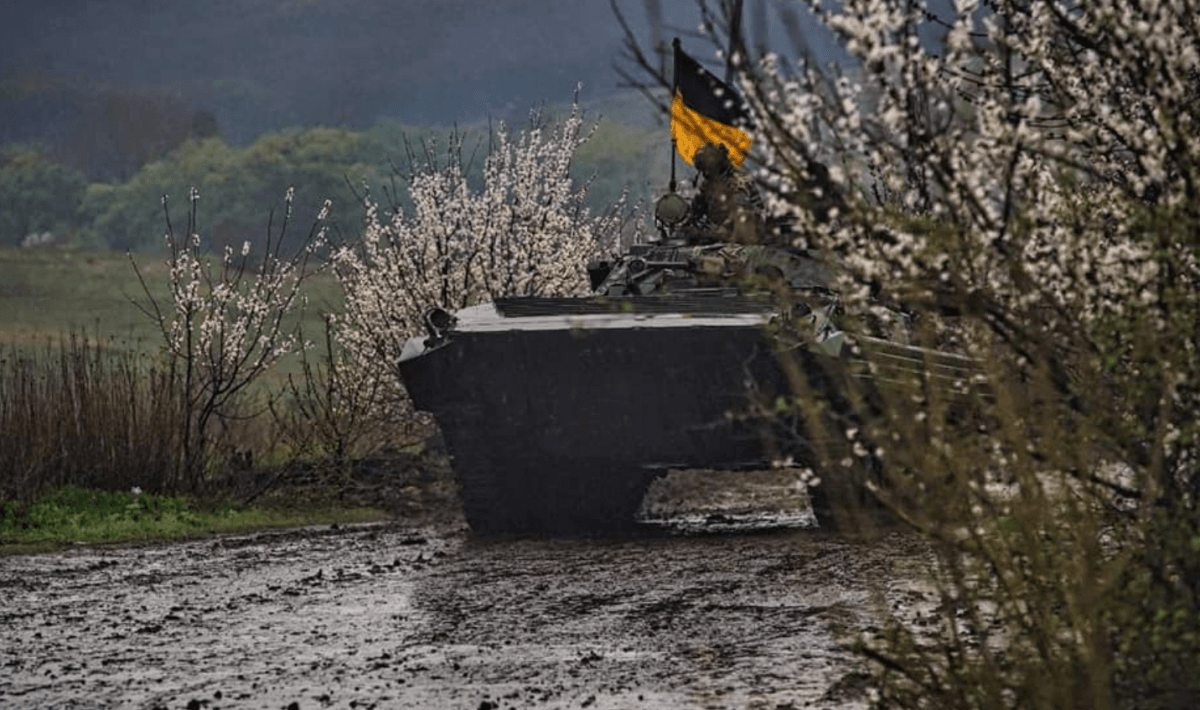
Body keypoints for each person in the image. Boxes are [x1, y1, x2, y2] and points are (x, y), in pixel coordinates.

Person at [684, 142, 765, 244]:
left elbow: (740, 211)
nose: (706, 173)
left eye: (708, 169)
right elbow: (698, 207)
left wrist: (717, 231)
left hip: (744, 232)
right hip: (721, 230)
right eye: (704, 170)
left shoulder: (738, 181)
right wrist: (688, 222)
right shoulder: (709, 182)